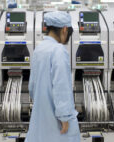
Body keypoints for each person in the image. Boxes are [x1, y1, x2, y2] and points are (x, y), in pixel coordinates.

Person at [25, 11, 80, 142]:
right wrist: (64, 116)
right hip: (56, 120)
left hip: (41, 115)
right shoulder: (59, 50)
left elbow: (32, 86)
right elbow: (62, 86)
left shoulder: (39, 49)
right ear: (65, 29)